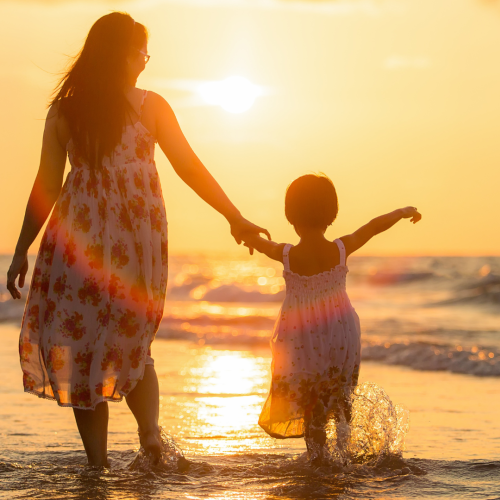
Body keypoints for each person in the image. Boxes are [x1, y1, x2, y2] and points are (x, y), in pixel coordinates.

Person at [6, 12, 269, 468]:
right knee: (132, 340)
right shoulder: (150, 106)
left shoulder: (66, 109)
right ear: (123, 54)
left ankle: (98, 465)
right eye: (142, 52)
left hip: (77, 243)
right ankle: (149, 439)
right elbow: (188, 167)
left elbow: (46, 185)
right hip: (136, 242)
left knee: (82, 345)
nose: (146, 62)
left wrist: (22, 248)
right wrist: (234, 217)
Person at [241, 173, 421, 463]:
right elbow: (373, 227)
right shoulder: (340, 248)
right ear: (331, 214)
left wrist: (244, 234)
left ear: (291, 216)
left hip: (303, 339)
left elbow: (259, 243)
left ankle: (318, 459)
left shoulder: (287, 254)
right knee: (341, 396)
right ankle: (343, 455)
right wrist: (401, 212)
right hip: (341, 334)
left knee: (312, 404)